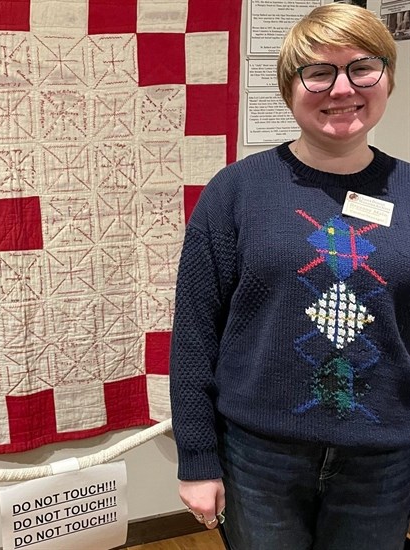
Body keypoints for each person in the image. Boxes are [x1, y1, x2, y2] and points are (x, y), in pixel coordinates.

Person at [170, 4, 410, 549]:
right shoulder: (236, 192)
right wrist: (197, 458)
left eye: (362, 68)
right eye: (318, 72)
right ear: (289, 88)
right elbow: (193, 333)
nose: (342, 88)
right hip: (258, 459)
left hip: (383, 463)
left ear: (387, 78)